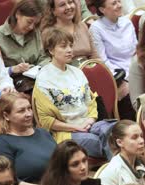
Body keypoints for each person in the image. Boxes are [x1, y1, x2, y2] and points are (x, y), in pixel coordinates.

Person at [34, 27, 115, 160]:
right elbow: (46, 120)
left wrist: (89, 121)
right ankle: (117, 173)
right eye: (63, 46)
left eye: (71, 46)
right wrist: (75, 127)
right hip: (65, 132)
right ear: (51, 50)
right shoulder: (44, 78)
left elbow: (91, 104)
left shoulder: (77, 72)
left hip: (88, 124)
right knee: (99, 141)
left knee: (118, 130)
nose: (69, 50)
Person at [0, 93, 56, 185]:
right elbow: (3, 181)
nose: (28, 114)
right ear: (6, 116)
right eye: (21, 111)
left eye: (29, 108)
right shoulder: (2, 143)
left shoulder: (43, 133)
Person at [89, 0, 137, 120]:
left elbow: (136, 51)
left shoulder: (127, 22)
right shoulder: (96, 29)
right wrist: (125, 78)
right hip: (117, 76)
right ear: (102, 10)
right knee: (127, 94)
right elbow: (103, 62)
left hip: (136, 70)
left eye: (119, 1)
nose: (119, 5)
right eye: (114, 3)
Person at [0, 0, 47, 93]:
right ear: (17, 14)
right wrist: (14, 69)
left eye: (35, 24)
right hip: (12, 84)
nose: (31, 27)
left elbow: (43, 56)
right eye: (29, 22)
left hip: (38, 78)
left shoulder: (35, 33)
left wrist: (41, 68)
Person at [40, 0, 99, 66]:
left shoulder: (82, 26)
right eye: (62, 5)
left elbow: (95, 55)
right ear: (54, 11)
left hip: (89, 69)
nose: (68, 7)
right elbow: (45, 59)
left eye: (70, 2)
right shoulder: (49, 32)